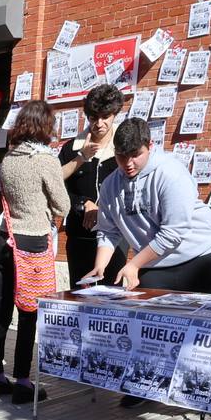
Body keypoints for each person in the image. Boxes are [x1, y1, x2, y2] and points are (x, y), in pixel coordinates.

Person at [86, 117, 211, 294]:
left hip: (201, 259)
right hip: (154, 264)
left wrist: (134, 264)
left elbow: (173, 232)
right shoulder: (110, 185)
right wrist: (100, 266)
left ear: (150, 146)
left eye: (135, 154)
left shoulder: (170, 173)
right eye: (121, 156)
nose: (128, 163)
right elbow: (109, 230)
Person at [0, 101, 71, 403]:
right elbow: (63, 205)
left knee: (1, 308)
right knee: (28, 312)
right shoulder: (46, 160)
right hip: (33, 241)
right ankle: (22, 381)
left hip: (5, 236)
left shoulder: (9, 159)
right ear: (44, 126)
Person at [60, 84, 128, 286]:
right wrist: (82, 203)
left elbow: (133, 186)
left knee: (111, 297)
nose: (99, 123)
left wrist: (102, 208)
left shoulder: (124, 147)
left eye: (105, 116)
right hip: (80, 236)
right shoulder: (71, 148)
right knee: (79, 294)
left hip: (116, 234)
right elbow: (56, 185)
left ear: (115, 114)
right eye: (93, 118)